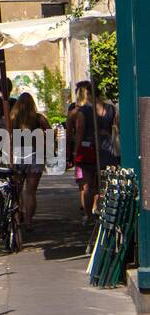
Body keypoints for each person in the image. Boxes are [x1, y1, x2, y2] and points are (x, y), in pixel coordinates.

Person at [12, 91, 50, 231]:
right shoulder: (38, 118)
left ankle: (16, 217)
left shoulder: (12, 118)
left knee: (17, 189)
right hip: (35, 154)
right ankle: (28, 221)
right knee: (30, 192)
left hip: (17, 155)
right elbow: (50, 133)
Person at [67, 81, 100, 225]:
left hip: (83, 151)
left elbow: (72, 133)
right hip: (102, 149)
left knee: (84, 184)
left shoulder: (75, 112)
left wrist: (72, 152)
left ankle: (87, 212)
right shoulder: (103, 108)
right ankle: (95, 207)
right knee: (98, 183)